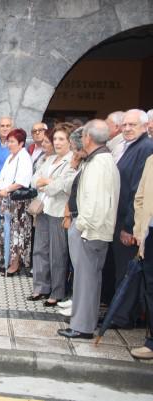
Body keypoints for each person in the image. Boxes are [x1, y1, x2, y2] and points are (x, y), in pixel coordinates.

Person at [58, 119, 120, 339]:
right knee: (88, 279)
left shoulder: (99, 163)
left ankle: (82, 327)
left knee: (86, 280)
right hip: (91, 230)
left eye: (83, 135)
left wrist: (82, 227)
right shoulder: (98, 159)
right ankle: (83, 322)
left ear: (88, 138)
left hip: (90, 232)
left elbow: (95, 203)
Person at [109, 109, 153, 329]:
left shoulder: (145, 148)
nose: (126, 128)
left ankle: (122, 317)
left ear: (145, 126)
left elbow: (137, 191)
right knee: (121, 269)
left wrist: (129, 226)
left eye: (132, 125)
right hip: (119, 218)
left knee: (127, 271)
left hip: (129, 222)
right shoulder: (129, 146)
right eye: (124, 124)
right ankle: (118, 312)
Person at [29, 124, 76, 307]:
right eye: (55, 139)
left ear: (70, 141)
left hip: (59, 212)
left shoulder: (72, 161)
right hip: (43, 209)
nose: (57, 142)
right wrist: (45, 182)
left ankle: (57, 292)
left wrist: (46, 183)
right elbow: (34, 180)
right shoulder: (49, 159)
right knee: (40, 249)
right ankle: (41, 287)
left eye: (61, 139)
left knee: (58, 254)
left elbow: (61, 187)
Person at [0, 128, 33, 276]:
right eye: (8, 141)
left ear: (21, 143)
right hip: (6, 200)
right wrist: (1, 190)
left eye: (12, 141)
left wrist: (7, 189)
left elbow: (22, 181)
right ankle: (6, 260)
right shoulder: (11, 156)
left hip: (17, 201)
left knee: (17, 232)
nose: (9, 144)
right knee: (6, 231)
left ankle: (15, 264)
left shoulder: (24, 157)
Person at [130, 155, 153, 359]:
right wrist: (139, 230)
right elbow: (140, 197)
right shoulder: (151, 160)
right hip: (150, 232)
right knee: (150, 288)